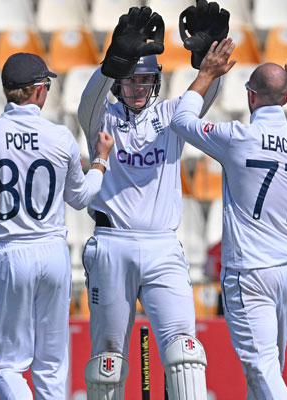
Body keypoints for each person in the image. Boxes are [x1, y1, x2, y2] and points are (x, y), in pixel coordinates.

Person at [76, 3, 229, 398]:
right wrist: (113, 62)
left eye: (145, 80)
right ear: (117, 84)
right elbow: (85, 103)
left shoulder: (172, 117)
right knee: (108, 361)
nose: (138, 88)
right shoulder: (103, 118)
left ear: (156, 82)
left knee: (185, 352)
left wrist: (207, 62)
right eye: (129, 80)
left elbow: (204, 94)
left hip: (163, 246)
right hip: (112, 245)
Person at [171, 39, 287, 398]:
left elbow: (181, 120)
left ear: (250, 97)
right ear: (286, 98)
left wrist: (207, 74)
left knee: (263, 367)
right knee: (269, 367)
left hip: (251, 272)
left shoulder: (236, 137)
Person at [0, 52, 113, 399]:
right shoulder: (59, 137)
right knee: (51, 366)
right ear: (40, 90)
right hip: (53, 253)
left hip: (7, 253)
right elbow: (82, 197)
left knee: (7, 365)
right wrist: (100, 161)